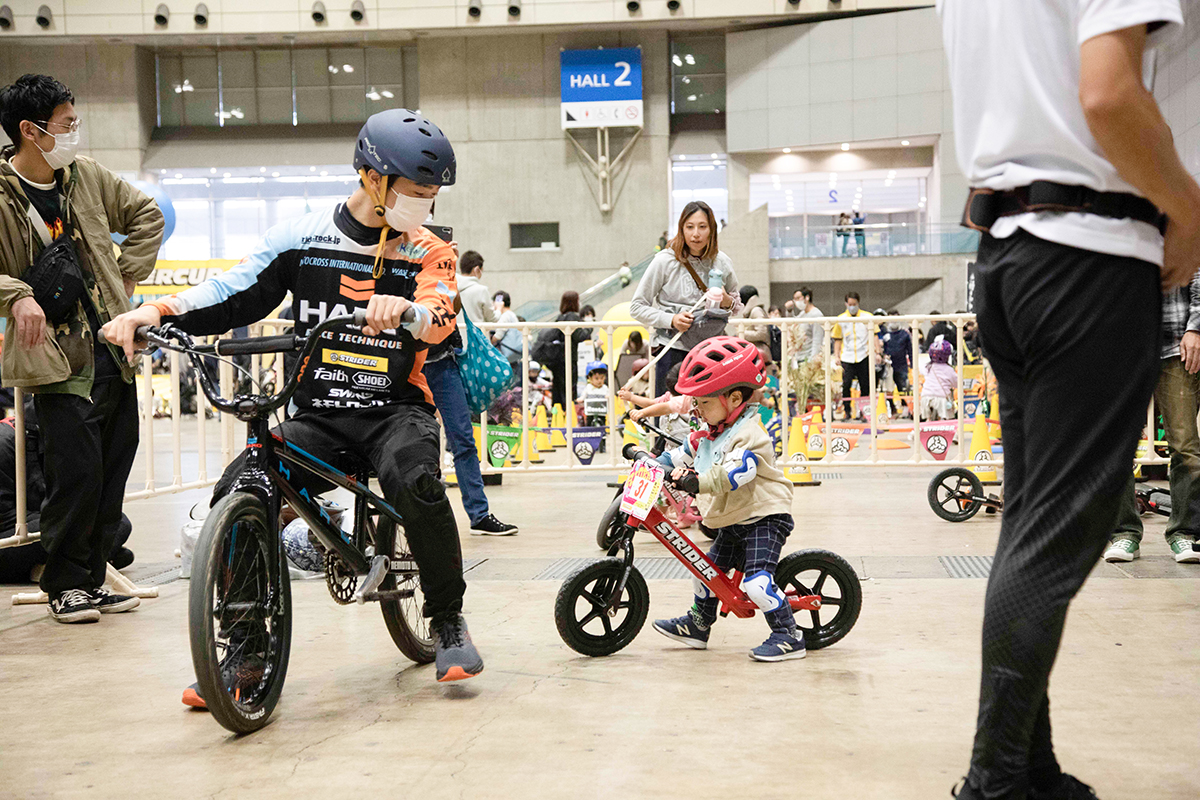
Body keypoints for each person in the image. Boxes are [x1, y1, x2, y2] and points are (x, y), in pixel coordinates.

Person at [103, 107, 487, 685]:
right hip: (319, 417)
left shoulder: (430, 250)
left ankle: (448, 620)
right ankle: (245, 649)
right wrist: (152, 310)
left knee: (417, 481)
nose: (424, 206)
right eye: (414, 192)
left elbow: (438, 316)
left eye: (431, 195)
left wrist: (406, 311)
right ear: (372, 177)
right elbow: (232, 291)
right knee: (240, 486)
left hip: (396, 413)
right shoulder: (302, 239)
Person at [940, 2, 1198, 797]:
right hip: (1089, 256)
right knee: (1055, 535)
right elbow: (1109, 94)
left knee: (1029, 525)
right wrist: (1190, 212)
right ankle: (995, 782)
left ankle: (1026, 764)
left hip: (1007, 260)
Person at [0, 74, 164, 623]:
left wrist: (125, 277)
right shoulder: (3, 194)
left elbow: (147, 216)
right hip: (55, 355)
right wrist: (17, 295)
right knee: (76, 473)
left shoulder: (85, 177)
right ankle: (65, 584)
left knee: (114, 465)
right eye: (66, 124)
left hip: (112, 348)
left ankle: (92, 580)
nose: (74, 132)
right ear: (31, 130)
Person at [648, 337, 802, 662]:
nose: (696, 409)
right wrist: (652, 462)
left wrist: (696, 482)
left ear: (733, 398)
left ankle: (789, 635)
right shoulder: (710, 430)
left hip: (763, 516)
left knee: (757, 583)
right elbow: (680, 453)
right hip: (733, 518)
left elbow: (733, 474)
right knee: (704, 571)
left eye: (703, 402)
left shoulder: (749, 435)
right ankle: (699, 625)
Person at [1106, 269, 1200, 565]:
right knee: (1116, 445)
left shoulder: (1181, 224)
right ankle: (1124, 532)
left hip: (1176, 346)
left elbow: (1197, 275)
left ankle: (1185, 532)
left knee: (1185, 446)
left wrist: (1196, 329)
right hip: (1123, 347)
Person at [423, 248, 517, 537]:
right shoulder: (396, 258)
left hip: (442, 361)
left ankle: (479, 514)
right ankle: (422, 516)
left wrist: (447, 270)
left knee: (463, 438)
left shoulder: (440, 265)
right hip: (406, 363)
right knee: (416, 442)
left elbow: (453, 308)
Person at [0, 399, 133, 583]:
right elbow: (6, 521)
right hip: (9, 534)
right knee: (74, 530)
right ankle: (76, 563)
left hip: (37, 522)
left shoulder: (57, 439)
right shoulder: (6, 444)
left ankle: (57, 564)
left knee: (117, 523)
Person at [630, 200, 741, 397]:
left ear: (712, 230)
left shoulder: (722, 262)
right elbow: (637, 307)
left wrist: (726, 301)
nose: (695, 233)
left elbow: (737, 307)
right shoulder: (664, 261)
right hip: (673, 349)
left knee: (711, 417)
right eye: (689, 227)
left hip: (713, 352)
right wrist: (671, 320)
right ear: (681, 229)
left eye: (702, 227)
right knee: (670, 417)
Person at [539, 291, 592, 412]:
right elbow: (579, 336)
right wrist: (589, 326)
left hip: (557, 359)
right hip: (568, 358)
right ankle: (569, 417)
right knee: (569, 389)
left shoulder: (560, 317)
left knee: (558, 389)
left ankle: (558, 416)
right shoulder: (572, 317)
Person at [830, 293, 874, 420]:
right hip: (847, 357)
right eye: (850, 305)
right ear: (846, 304)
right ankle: (847, 411)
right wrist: (836, 356)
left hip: (864, 355)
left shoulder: (868, 317)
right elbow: (837, 339)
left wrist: (876, 352)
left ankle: (864, 412)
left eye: (854, 304)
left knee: (865, 385)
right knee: (846, 384)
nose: (852, 307)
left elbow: (874, 335)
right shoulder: (841, 319)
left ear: (858, 303)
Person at [881, 311, 913, 417]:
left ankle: (906, 409)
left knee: (903, 388)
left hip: (902, 365)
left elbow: (910, 350)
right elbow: (882, 350)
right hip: (888, 366)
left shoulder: (905, 334)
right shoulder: (885, 335)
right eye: (891, 319)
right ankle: (892, 409)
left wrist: (912, 365)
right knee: (888, 389)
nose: (893, 322)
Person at [920, 339, 958, 421]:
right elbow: (957, 383)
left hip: (926, 396)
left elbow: (923, 373)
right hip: (942, 399)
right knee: (945, 421)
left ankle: (926, 425)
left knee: (928, 421)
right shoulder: (949, 369)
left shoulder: (927, 367)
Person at [788, 287, 825, 365]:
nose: (796, 301)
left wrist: (812, 360)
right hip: (800, 358)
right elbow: (791, 323)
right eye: (794, 299)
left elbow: (817, 339)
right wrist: (789, 310)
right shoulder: (802, 314)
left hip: (809, 359)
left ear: (807, 298)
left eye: (798, 298)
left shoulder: (816, 314)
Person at [492, 290, 522, 371]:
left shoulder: (505, 316)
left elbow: (498, 336)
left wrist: (489, 341)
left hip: (506, 354)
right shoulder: (512, 315)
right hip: (514, 353)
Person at [580, 361, 610, 428]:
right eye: (596, 378)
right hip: (590, 411)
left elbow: (609, 394)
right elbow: (584, 395)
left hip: (601, 411)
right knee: (589, 422)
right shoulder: (588, 387)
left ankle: (602, 434)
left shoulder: (605, 388)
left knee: (602, 422)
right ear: (590, 378)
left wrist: (608, 396)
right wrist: (581, 398)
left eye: (602, 378)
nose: (599, 380)